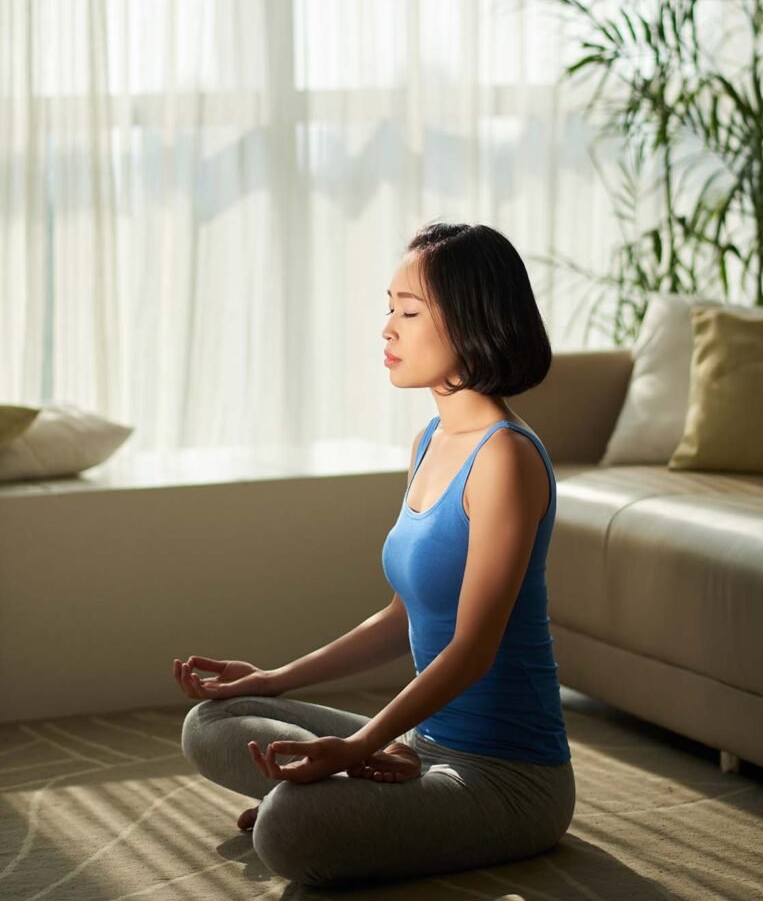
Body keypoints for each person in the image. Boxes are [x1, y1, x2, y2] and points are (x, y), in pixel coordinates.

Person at [175, 221, 575, 888]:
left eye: (409, 311)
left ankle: (337, 797)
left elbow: (473, 650)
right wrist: (272, 679)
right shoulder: (429, 440)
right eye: (387, 307)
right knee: (211, 722)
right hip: (420, 747)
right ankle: (366, 788)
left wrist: (357, 747)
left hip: (509, 779)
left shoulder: (504, 457)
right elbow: (398, 619)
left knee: (286, 831)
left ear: (472, 321)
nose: (387, 328)